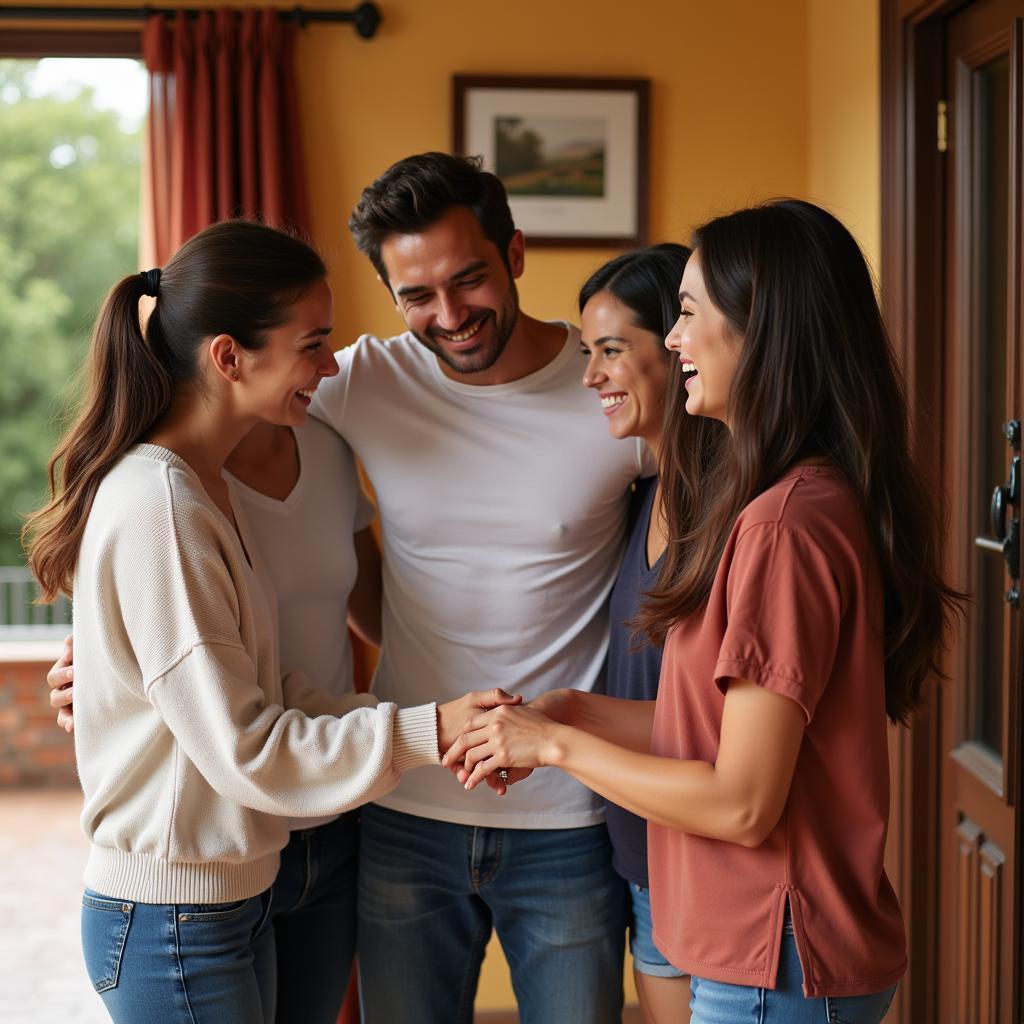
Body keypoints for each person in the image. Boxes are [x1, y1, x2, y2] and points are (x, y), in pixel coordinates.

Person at [446, 199, 964, 1023]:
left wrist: (554, 741)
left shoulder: (783, 523)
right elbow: (721, 732)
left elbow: (740, 802)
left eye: (687, 314)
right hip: (768, 954)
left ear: (764, 328)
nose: (675, 338)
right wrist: (570, 711)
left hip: (774, 956)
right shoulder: (788, 500)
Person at [24, 218, 515, 1024]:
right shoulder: (162, 505)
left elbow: (267, 692)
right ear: (228, 356)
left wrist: (443, 724)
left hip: (229, 899)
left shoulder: (204, 487)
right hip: (177, 919)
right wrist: (429, 730)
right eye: (312, 344)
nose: (330, 365)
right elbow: (247, 745)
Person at [310, 152, 652, 1024]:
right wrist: (118, 630)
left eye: (470, 280)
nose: (450, 316)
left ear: (517, 254)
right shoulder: (364, 381)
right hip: (404, 800)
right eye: (417, 295)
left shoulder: (609, 392)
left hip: (569, 813)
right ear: (390, 295)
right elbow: (202, 442)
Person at [577, 244, 708, 1024]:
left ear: (676, 346)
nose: (592, 376)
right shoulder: (640, 493)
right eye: (588, 353)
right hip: (640, 855)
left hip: (708, 865)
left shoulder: (734, 516)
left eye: (612, 351)